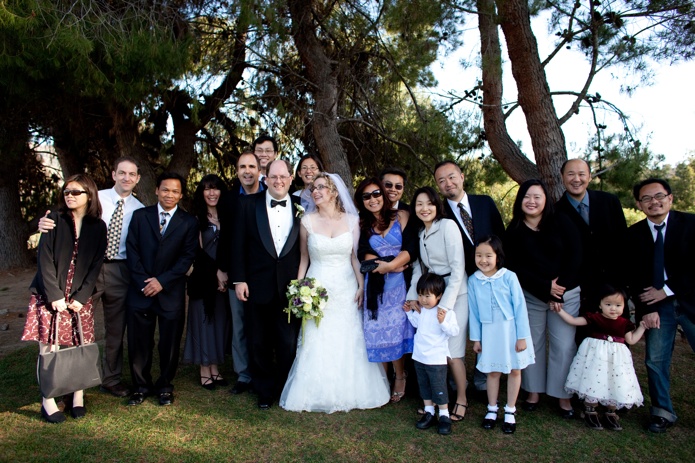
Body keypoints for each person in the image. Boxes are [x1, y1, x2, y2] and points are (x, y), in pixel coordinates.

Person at [280, 173, 390, 412]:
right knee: (317, 337)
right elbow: (303, 260)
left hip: (346, 286)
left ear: (334, 191)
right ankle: (316, 391)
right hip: (317, 286)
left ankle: (351, 390)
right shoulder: (307, 222)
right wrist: (299, 291)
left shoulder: (352, 220)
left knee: (348, 337)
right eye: (313, 188)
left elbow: (354, 257)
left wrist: (361, 285)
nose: (315, 192)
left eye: (321, 187)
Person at [37, 157, 145, 398]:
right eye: (122, 173)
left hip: (120, 270)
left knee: (115, 329)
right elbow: (63, 217)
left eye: (132, 174)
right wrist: (43, 222)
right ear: (114, 174)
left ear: (137, 179)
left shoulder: (139, 209)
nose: (127, 177)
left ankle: (111, 378)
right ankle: (67, 382)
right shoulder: (95, 198)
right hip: (85, 271)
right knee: (73, 325)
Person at [22, 174, 107, 423]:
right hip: (51, 295)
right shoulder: (53, 220)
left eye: (75, 192)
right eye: (66, 191)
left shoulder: (98, 226)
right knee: (49, 348)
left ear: (89, 195)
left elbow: (96, 264)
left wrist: (82, 296)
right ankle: (48, 400)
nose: (69, 196)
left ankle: (77, 395)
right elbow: (44, 259)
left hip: (80, 298)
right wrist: (54, 295)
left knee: (79, 345)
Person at [503, 179, 582, 418]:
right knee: (532, 343)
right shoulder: (514, 229)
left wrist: (560, 289)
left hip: (566, 295)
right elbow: (513, 266)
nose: (532, 201)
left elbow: (576, 254)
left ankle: (562, 394)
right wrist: (545, 288)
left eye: (537, 196)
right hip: (532, 295)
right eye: (527, 196)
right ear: (520, 200)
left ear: (545, 200)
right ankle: (533, 391)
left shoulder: (561, 221)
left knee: (564, 345)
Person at [625, 178, 695, 433]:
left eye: (659, 196)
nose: (654, 202)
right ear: (639, 204)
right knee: (655, 359)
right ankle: (662, 411)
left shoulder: (690, 224)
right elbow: (633, 278)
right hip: (656, 308)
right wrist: (647, 311)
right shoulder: (633, 235)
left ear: (670, 198)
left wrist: (666, 290)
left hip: (690, 300)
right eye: (646, 199)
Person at [231, 159, 301, 410]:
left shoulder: (302, 206)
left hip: (291, 288)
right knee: (258, 341)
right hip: (256, 285)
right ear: (265, 178)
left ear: (291, 179)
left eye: (283, 176)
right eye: (273, 177)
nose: (279, 181)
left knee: (287, 342)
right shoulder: (247, 205)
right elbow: (237, 245)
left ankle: (284, 388)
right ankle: (263, 390)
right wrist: (239, 279)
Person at [125, 172, 198, 407]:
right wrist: (145, 281)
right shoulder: (140, 216)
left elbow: (187, 257)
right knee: (139, 342)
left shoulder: (188, 222)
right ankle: (140, 386)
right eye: (165, 189)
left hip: (170, 292)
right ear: (157, 190)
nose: (170, 194)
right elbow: (132, 250)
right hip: (141, 290)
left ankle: (165, 385)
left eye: (175, 191)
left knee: (169, 342)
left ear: (181, 195)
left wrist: (162, 281)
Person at [434, 160, 504, 396]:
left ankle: (484, 378)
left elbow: (501, 237)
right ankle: (456, 381)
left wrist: (499, 273)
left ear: (462, 177)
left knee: (488, 328)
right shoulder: (439, 213)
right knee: (457, 331)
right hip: (459, 282)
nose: (448, 183)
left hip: (490, 278)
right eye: (441, 181)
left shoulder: (484, 203)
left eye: (451, 177)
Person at [405, 186, 469, 421]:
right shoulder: (421, 233)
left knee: (452, 352)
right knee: (431, 348)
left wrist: (446, 305)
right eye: (419, 204)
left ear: (436, 205)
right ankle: (435, 401)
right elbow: (418, 269)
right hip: (431, 293)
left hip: (455, 293)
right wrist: (413, 296)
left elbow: (458, 267)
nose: (424, 208)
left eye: (429, 203)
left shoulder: (448, 226)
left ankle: (461, 398)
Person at [552, 284, 646, 431]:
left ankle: (611, 411)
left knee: (615, 381)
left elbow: (631, 340)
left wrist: (642, 327)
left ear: (623, 306)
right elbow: (573, 321)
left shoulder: (624, 324)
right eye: (608, 304)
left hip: (616, 360)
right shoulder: (594, 318)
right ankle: (590, 409)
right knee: (593, 379)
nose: (613, 308)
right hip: (595, 357)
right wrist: (559, 311)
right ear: (600, 305)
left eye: (618, 305)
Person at [354, 178, 415, 403]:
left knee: (396, 329)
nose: (373, 199)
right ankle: (382, 378)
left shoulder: (403, 217)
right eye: (366, 196)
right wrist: (391, 263)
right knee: (379, 330)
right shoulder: (362, 224)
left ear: (383, 195)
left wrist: (390, 265)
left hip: (400, 285)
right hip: (376, 287)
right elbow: (363, 256)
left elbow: (410, 248)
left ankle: (400, 375)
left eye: (376, 193)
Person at [468, 235, 534, 434]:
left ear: (498, 256)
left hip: (511, 331)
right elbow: (473, 311)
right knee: (492, 371)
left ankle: (510, 410)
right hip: (489, 332)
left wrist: (522, 336)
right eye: (479, 255)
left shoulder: (508, 276)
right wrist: (476, 338)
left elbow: (520, 307)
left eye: (488, 255)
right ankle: (491, 408)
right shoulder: (473, 280)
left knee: (515, 369)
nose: (483, 260)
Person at [217, 149, 265, 395]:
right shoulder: (228, 200)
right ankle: (243, 374)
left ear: (259, 170)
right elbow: (225, 238)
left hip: (265, 273)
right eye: (242, 167)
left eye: (251, 167)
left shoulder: (270, 196)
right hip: (237, 272)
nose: (247, 171)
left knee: (264, 326)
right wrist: (223, 269)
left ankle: (264, 372)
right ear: (237, 172)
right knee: (239, 326)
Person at [555, 158, 627, 311]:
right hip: (580, 294)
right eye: (570, 174)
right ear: (562, 177)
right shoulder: (554, 212)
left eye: (581, 174)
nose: (576, 179)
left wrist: (624, 288)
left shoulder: (610, 202)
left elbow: (623, 243)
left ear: (589, 176)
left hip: (615, 291)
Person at [183, 175, 231, 390]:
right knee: (203, 322)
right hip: (203, 278)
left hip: (224, 279)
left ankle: (214, 367)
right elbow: (199, 252)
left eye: (216, 189)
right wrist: (217, 273)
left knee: (218, 323)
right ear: (201, 193)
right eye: (207, 189)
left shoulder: (228, 216)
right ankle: (204, 369)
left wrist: (226, 273)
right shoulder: (195, 218)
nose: (212, 193)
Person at [404, 273, 459, 435]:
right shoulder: (422, 311)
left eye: (427, 296)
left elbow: (454, 331)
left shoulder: (445, 313)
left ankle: (444, 414)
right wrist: (409, 313)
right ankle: (429, 411)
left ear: (439, 295)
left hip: (436, 358)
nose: (423, 299)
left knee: (438, 386)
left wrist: (443, 322)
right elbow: (417, 324)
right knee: (424, 385)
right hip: (419, 356)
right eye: (420, 295)